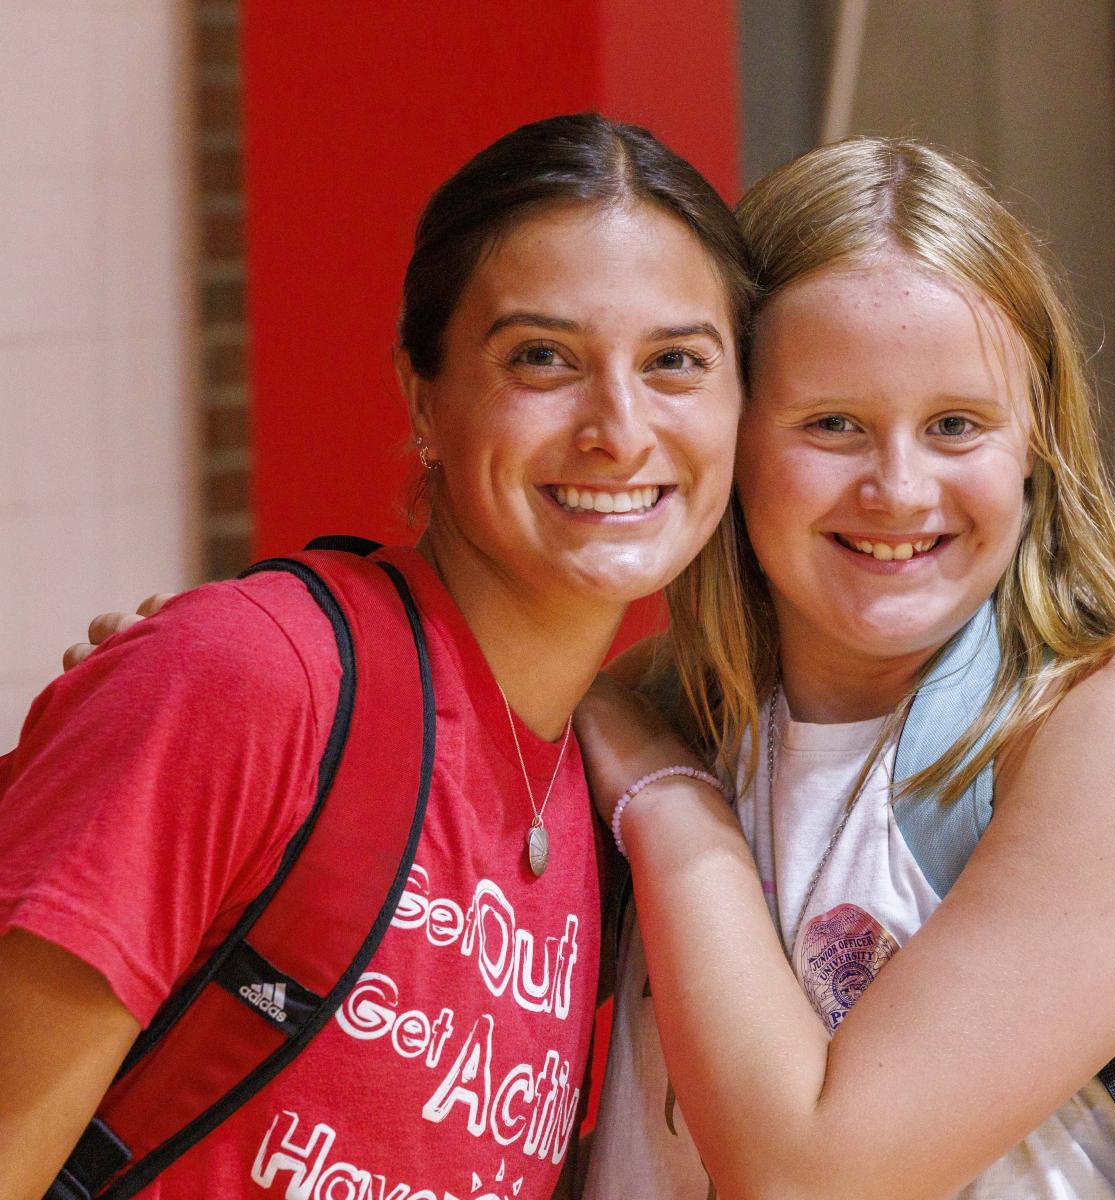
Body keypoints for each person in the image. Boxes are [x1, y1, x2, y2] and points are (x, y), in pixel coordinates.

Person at [0, 112, 750, 1199]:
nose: (620, 428)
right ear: (422, 395)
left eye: (676, 361)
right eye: (543, 357)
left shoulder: (615, 806)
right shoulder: (253, 679)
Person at [577, 137, 1115, 1200]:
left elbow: (812, 1175)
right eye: (833, 425)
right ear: (732, 431)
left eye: (955, 426)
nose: (899, 489)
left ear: (1037, 442)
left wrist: (671, 808)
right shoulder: (662, 709)